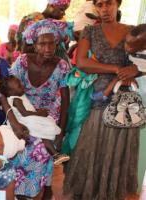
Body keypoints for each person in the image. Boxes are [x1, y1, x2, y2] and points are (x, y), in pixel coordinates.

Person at [63, 0, 142, 199]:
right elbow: (82, 62)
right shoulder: (90, 31)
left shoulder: (133, 31)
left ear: (118, 4)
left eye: (108, 3)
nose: (104, 9)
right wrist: (116, 68)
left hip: (123, 103)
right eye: (100, 4)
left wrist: (136, 69)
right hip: (97, 98)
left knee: (116, 152)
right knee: (91, 149)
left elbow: (141, 61)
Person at [2, 19, 70, 199]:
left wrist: (61, 131)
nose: (48, 48)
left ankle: (40, 188)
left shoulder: (62, 66)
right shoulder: (23, 62)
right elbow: (4, 92)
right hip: (21, 110)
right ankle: (18, 191)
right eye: (43, 43)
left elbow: (65, 100)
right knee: (19, 144)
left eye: (52, 43)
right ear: (35, 45)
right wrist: (14, 122)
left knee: (41, 147)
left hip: (49, 114)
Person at [0, 76, 69, 165]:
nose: (22, 86)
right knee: (44, 134)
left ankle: (55, 154)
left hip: (29, 118)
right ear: (10, 92)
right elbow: (24, 113)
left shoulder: (18, 96)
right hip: (27, 121)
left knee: (44, 136)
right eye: (19, 86)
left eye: (20, 83)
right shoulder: (16, 100)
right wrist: (39, 113)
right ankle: (55, 154)